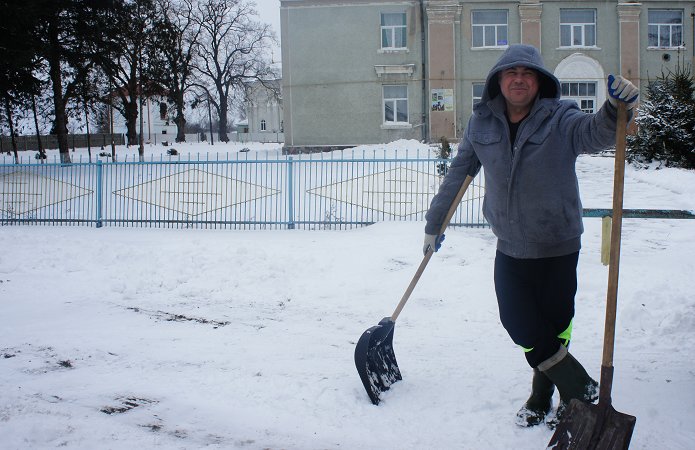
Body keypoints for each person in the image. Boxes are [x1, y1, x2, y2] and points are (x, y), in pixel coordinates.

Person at [422, 44, 638, 427]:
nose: (519, 78)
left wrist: (614, 109)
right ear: (498, 81)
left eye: (527, 73)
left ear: (539, 82)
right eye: (511, 72)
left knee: (556, 325)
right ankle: (578, 387)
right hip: (510, 246)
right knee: (520, 324)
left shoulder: (561, 117)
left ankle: (541, 396)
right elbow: (458, 175)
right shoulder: (481, 124)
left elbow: (595, 135)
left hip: (558, 243)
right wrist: (434, 223)